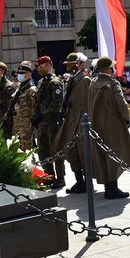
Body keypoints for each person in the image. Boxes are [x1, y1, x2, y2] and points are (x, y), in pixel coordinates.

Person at [87, 57, 130, 199]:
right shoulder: (113, 83)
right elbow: (122, 104)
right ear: (108, 69)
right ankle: (113, 188)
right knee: (113, 154)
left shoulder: (93, 83)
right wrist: (126, 119)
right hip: (112, 124)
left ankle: (107, 186)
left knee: (101, 154)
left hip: (96, 124)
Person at [53, 53, 91, 193]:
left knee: (83, 153)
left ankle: (86, 183)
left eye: (70, 63)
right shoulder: (73, 79)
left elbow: (87, 103)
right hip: (71, 120)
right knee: (72, 153)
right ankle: (79, 181)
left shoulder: (85, 80)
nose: (67, 66)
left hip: (80, 122)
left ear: (77, 64)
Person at [33, 55, 66, 189]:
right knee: (43, 150)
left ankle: (60, 177)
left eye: (41, 67)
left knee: (56, 150)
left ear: (48, 66)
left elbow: (57, 103)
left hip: (52, 122)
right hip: (42, 123)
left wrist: (43, 115)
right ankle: (48, 175)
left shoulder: (55, 82)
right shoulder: (41, 82)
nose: (39, 70)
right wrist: (36, 117)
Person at [8, 61, 37, 150]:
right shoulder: (20, 88)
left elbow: (35, 110)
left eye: (21, 73)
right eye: (18, 73)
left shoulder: (31, 90)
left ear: (28, 74)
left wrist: (31, 128)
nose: (18, 75)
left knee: (27, 154)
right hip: (17, 125)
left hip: (26, 127)